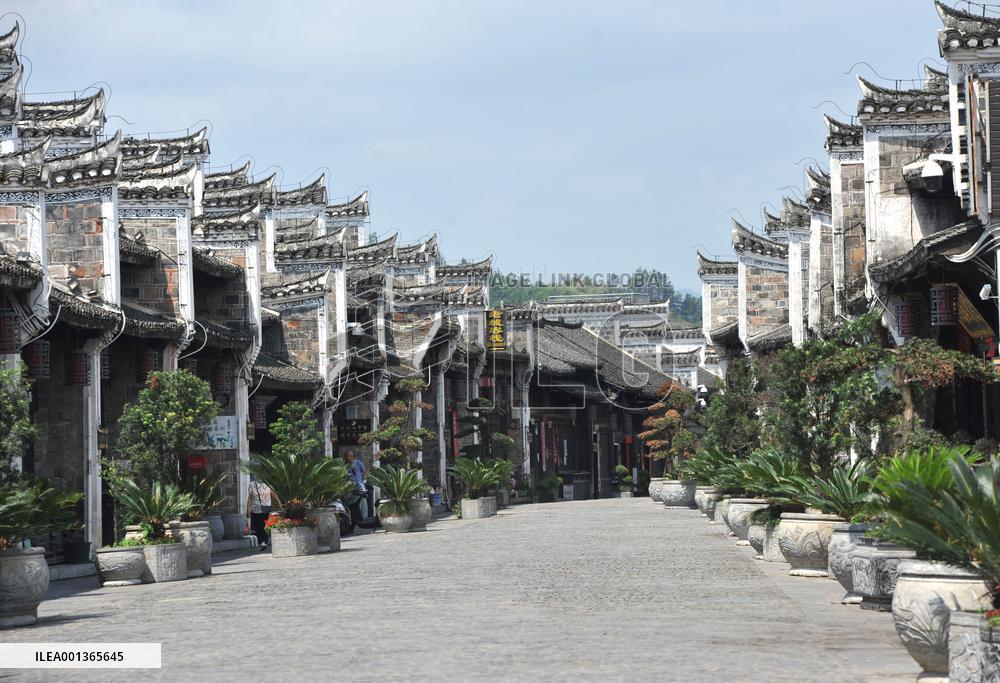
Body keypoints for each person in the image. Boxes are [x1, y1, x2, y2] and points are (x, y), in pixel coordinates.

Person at [247, 476, 273, 551]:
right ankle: (263, 542)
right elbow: (250, 498)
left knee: (262, 526)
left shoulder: (268, 484)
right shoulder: (252, 484)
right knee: (260, 527)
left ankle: (263, 542)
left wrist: (279, 504)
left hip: (263, 510)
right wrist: (248, 510)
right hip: (257, 510)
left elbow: (273, 495)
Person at [345, 450, 369, 520]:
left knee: (362, 500)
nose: (349, 457)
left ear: (353, 456)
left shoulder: (358, 463)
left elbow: (364, 473)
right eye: (348, 456)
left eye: (351, 456)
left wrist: (363, 481)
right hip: (350, 487)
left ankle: (364, 518)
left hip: (360, 485)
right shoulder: (345, 465)